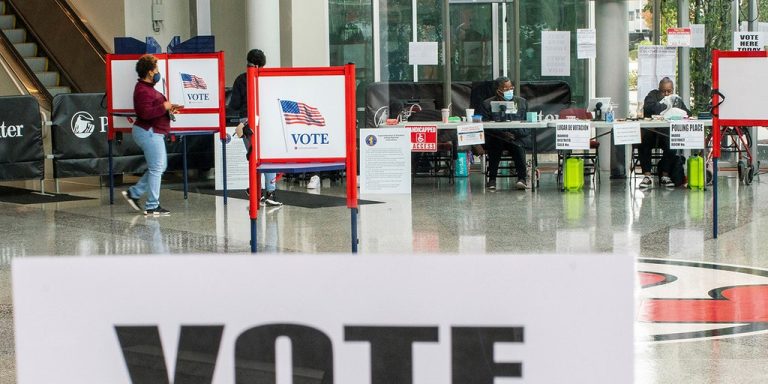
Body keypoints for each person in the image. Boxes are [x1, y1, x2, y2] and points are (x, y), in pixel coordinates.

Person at [121, 54, 180, 216]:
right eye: (157, 69)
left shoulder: (147, 89)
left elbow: (151, 110)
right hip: (149, 132)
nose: (159, 72)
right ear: (150, 72)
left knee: (160, 167)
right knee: (156, 168)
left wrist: (167, 108)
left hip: (152, 132)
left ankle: (134, 193)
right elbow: (145, 113)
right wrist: (164, 106)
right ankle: (152, 205)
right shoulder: (142, 90)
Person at [228, 49, 282, 206]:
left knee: (253, 157)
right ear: (261, 64)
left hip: (246, 122)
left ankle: (254, 190)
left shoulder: (240, 80)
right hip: (265, 121)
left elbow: (234, 105)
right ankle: (270, 192)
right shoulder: (266, 79)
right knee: (267, 157)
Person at [477, 76, 531, 190]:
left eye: (511, 87)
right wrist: (502, 134)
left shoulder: (521, 102)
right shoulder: (487, 104)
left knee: (518, 146)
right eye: (506, 89)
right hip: (497, 137)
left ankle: (522, 179)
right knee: (495, 146)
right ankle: (492, 179)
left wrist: (515, 133)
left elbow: (527, 125)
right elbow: (485, 126)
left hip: (516, 137)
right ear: (498, 90)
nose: (510, 90)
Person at [637, 77, 691, 188]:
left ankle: (665, 175)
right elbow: (649, 109)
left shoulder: (676, 99)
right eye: (663, 91)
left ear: (673, 89)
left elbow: (687, 113)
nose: (666, 94)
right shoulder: (652, 96)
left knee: (673, 143)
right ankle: (647, 176)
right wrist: (666, 104)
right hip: (652, 133)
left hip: (666, 134)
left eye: (669, 91)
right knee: (643, 143)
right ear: (659, 89)